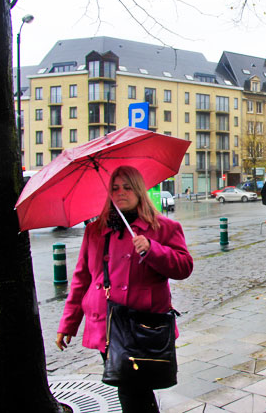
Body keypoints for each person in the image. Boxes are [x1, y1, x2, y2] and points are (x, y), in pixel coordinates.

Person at [56, 165, 193, 413]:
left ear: (139, 191)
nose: (121, 193)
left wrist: (152, 249)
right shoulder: (95, 231)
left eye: (127, 187)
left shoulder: (163, 228)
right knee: (131, 390)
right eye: (115, 188)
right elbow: (81, 279)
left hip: (143, 325)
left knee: (134, 391)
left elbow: (184, 267)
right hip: (108, 326)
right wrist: (68, 323)